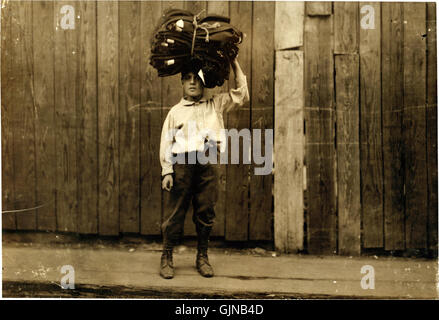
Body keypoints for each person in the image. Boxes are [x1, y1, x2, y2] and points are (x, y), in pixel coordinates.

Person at [159, 58, 249, 279]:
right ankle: (167, 257)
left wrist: (233, 62)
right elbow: (166, 142)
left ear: (204, 83)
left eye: (197, 79)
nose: (192, 83)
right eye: (188, 79)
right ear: (181, 83)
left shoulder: (215, 104)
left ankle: (202, 257)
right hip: (183, 163)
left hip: (208, 162)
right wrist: (167, 170)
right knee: (175, 212)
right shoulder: (175, 112)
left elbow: (242, 94)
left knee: (206, 211)